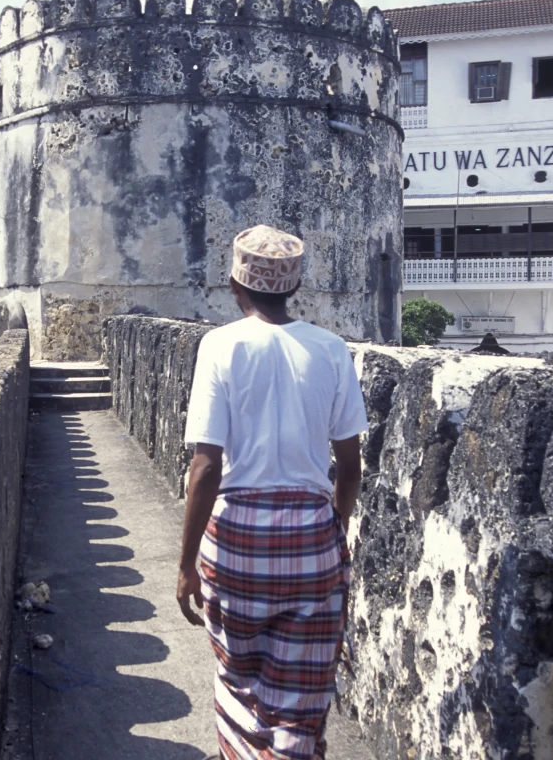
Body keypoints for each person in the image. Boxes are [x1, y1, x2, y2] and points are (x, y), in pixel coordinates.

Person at [176, 224, 369, 760]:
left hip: (237, 542)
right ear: (292, 286)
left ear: (236, 286)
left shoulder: (220, 346)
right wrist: (334, 530)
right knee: (300, 697)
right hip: (312, 540)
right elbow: (349, 467)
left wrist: (186, 563)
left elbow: (206, 468)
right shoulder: (331, 350)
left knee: (241, 682)